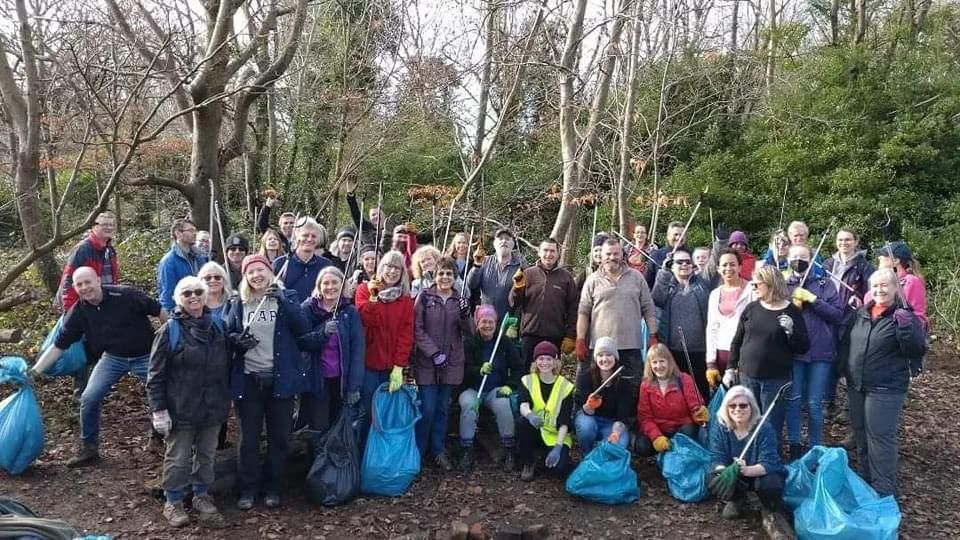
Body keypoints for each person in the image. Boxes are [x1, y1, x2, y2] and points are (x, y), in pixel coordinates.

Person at [32, 267, 164, 467]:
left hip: (145, 355)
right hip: (112, 358)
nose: (85, 287)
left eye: (88, 282)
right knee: (89, 397)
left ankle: (158, 437)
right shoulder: (79, 311)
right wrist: (34, 373)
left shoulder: (126, 295)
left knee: (160, 393)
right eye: (79, 284)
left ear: (98, 281)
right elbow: (59, 346)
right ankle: (89, 448)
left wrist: (171, 341)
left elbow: (160, 311)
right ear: (75, 288)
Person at [224, 254, 310, 510]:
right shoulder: (239, 302)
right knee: (248, 439)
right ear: (245, 277)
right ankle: (248, 488)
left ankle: (273, 487)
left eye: (261, 270)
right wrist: (236, 341)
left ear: (270, 272)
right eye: (251, 272)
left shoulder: (287, 298)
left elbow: (302, 327)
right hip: (250, 380)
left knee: (279, 438)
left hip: (279, 381)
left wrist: (283, 300)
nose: (257, 275)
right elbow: (228, 332)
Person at [147, 276, 230, 527]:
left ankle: (201, 494)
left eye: (197, 292)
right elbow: (155, 374)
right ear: (178, 299)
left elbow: (227, 363)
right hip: (180, 406)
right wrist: (158, 410)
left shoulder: (218, 327)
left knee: (207, 454)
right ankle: (172, 501)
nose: (193, 297)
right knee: (178, 456)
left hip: (213, 404)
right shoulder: (169, 331)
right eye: (187, 293)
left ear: (205, 296)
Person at [836, 269, 926, 497]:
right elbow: (847, 344)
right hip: (857, 385)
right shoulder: (861, 314)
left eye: (885, 285)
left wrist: (907, 330)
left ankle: (884, 490)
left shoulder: (903, 316)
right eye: (875, 286)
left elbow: (916, 349)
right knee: (861, 435)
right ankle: (866, 483)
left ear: (896, 289)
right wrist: (842, 371)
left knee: (880, 438)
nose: (879, 290)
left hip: (885, 387)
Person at [724, 266, 809, 445]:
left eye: (757, 284)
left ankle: (769, 465)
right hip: (747, 376)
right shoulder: (751, 308)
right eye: (753, 284)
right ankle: (748, 462)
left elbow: (803, 347)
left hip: (775, 379)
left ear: (770, 284)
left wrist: (791, 330)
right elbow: (737, 340)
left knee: (770, 425)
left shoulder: (791, 311)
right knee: (747, 421)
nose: (753, 287)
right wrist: (730, 368)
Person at [412, 257, 475, 471]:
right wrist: (433, 352)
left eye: (449, 273)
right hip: (428, 362)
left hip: (451, 361)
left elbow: (470, 332)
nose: (445, 277)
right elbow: (417, 330)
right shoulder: (424, 297)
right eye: (441, 273)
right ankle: (419, 452)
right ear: (435, 275)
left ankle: (438, 450)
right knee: (427, 409)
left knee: (442, 409)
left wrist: (467, 314)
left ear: (454, 277)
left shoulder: (460, 300)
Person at [783, 244, 845, 458]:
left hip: (821, 351)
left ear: (811, 259)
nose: (799, 260)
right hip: (794, 352)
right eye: (795, 256)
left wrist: (813, 300)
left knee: (814, 402)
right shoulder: (783, 284)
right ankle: (794, 443)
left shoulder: (825, 284)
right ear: (788, 259)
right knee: (794, 398)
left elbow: (838, 315)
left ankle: (815, 445)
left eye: (803, 256)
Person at [577, 238, 658, 395]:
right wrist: (580, 339)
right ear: (601, 255)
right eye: (608, 254)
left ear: (622, 254)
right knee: (598, 388)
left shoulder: (637, 278)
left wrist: (653, 334)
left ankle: (629, 419)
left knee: (633, 389)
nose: (612, 257)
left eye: (616, 253)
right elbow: (583, 312)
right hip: (600, 348)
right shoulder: (592, 280)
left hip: (631, 346)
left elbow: (648, 308)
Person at [299, 266, 364, 445]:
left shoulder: (349, 312)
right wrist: (322, 333)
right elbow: (301, 342)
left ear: (342, 285)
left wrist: (354, 386)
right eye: (325, 283)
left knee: (336, 428)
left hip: (340, 382)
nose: (330, 287)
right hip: (316, 381)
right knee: (318, 428)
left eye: (335, 282)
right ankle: (314, 467)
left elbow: (358, 349)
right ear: (319, 286)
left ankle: (332, 469)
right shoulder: (307, 309)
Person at [707, 386, 787, 528]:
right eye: (732, 405)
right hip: (736, 475)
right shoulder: (720, 427)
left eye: (743, 405)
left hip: (759, 473)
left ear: (751, 407)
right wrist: (727, 472)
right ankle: (737, 499)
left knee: (772, 484)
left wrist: (746, 469)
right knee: (714, 477)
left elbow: (769, 462)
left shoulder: (764, 427)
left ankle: (769, 505)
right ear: (726, 408)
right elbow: (716, 457)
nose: (738, 409)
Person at [457, 304, 522, 472]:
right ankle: (466, 449)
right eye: (484, 321)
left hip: (495, 388)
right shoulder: (469, 342)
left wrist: (510, 385)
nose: (487, 325)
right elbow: (462, 370)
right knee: (468, 407)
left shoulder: (504, 342)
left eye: (491, 321)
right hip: (472, 389)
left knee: (503, 405)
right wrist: (478, 370)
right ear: (477, 323)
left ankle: (509, 449)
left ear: (496, 323)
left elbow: (517, 367)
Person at [354, 250, 415, 422]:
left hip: (391, 366)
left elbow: (406, 334)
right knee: (369, 411)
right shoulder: (364, 290)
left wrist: (399, 365)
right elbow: (366, 320)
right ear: (381, 267)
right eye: (388, 266)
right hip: (369, 364)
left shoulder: (405, 300)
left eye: (397, 268)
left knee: (387, 413)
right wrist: (373, 298)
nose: (392, 271)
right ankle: (364, 447)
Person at [508, 238, 578, 367]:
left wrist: (570, 335)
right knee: (526, 374)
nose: (548, 254)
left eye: (552, 251)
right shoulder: (528, 274)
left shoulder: (566, 277)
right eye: (545, 250)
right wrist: (517, 288)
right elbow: (513, 303)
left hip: (555, 336)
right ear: (539, 252)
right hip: (529, 335)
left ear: (558, 254)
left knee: (550, 375)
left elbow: (574, 308)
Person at [652, 248, 711, 400]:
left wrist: (721, 243)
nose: (684, 264)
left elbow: (713, 266)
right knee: (677, 391)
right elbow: (657, 298)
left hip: (700, 349)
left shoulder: (702, 283)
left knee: (700, 391)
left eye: (687, 262)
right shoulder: (667, 287)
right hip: (673, 350)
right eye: (679, 262)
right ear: (672, 265)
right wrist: (664, 272)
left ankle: (701, 421)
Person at [517, 341, 574, 481]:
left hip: (555, 436)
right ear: (535, 361)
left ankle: (550, 455)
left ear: (555, 362)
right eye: (541, 358)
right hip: (535, 430)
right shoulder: (527, 380)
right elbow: (523, 404)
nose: (545, 363)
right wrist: (530, 415)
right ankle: (528, 462)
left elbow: (565, 420)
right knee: (522, 422)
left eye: (549, 359)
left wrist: (558, 447)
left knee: (559, 470)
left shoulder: (565, 386)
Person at [635, 344, 706, 456]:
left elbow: (695, 406)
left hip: (681, 427)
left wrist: (699, 414)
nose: (659, 366)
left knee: (689, 433)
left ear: (669, 361)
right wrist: (656, 437)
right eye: (654, 362)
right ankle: (664, 452)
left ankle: (671, 452)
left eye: (662, 361)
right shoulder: (645, 385)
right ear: (649, 365)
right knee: (641, 446)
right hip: (659, 428)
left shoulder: (684, 379)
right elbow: (644, 417)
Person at [573, 337, 632, 455]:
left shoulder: (624, 383)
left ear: (615, 358)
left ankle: (603, 462)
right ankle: (587, 456)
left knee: (620, 443)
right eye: (600, 355)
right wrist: (589, 407)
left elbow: (622, 416)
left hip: (611, 422)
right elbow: (580, 409)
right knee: (586, 427)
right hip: (589, 417)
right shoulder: (586, 377)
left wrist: (615, 433)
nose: (604, 359)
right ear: (595, 358)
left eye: (609, 355)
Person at [705, 250, 752, 390]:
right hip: (721, 354)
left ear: (740, 267)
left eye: (732, 264)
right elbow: (711, 328)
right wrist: (710, 362)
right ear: (718, 268)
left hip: (745, 354)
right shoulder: (714, 294)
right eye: (724, 265)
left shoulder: (752, 290)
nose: (728, 268)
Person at [58, 211, 120, 312]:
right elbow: (68, 281)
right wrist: (71, 311)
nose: (109, 228)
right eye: (104, 224)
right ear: (94, 227)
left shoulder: (110, 250)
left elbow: (114, 280)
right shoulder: (83, 250)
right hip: (84, 305)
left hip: (102, 303)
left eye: (111, 225)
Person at [466, 228, 523, 321]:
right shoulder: (485, 261)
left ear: (513, 244)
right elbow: (471, 285)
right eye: (500, 239)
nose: (504, 241)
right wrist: (477, 265)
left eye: (507, 239)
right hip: (485, 320)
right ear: (494, 244)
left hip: (509, 320)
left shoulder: (521, 266)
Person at [272, 217, 332, 303]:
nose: (309, 239)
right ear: (296, 236)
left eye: (313, 236)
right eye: (305, 235)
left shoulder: (326, 266)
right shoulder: (280, 264)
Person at [873, 241, 928, 331]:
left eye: (884, 255)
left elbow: (918, 317)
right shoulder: (879, 282)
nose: (879, 257)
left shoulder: (911, 281)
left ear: (896, 260)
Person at [157, 218, 208, 313]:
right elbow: (167, 293)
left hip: (200, 311)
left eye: (195, 230)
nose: (195, 233)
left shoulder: (199, 257)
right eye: (191, 230)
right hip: (181, 314)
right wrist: (171, 319)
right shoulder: (169, 261)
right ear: (178, 233)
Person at [822, 227, 873, 309]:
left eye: (847, 239)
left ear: (856, 242)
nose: (843, 242)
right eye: (840, 240)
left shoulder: (865, 266)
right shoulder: (827, 264)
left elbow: (871, 293)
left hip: (852, 315)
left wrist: (860, 300)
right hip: (829, 312)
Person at [645, 221, 688, 288]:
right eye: (675, 234)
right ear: (668, 236)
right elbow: (648, 283)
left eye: (682, 235)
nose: (678, 238)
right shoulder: (656, 256)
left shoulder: (693, 255)